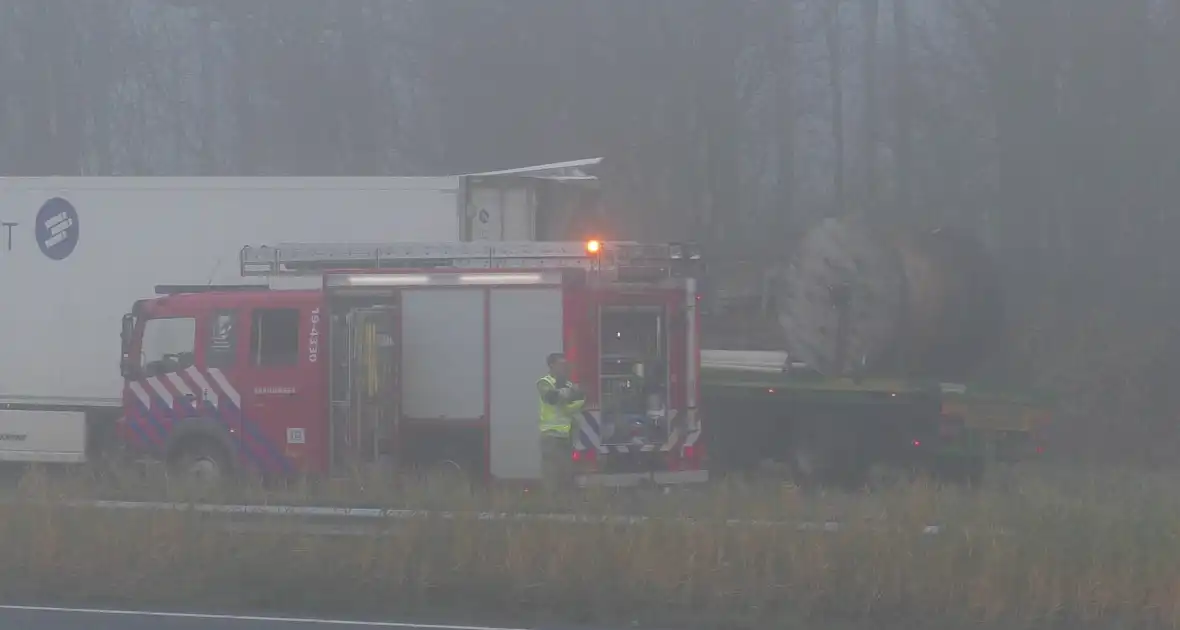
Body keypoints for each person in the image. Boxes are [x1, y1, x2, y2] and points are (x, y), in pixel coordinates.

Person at [537, 352, 585, 484]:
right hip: (550, 436)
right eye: (561, 364)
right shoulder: (544, 382)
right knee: (551, 476)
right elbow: (552, 398)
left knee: (566, 476)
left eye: (565, 364)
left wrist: (570, 395)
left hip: (566, 437)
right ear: (551, 365)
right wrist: (570, 394)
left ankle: (563, 502)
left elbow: (580, 400)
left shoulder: (569, 384)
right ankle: (551, 502)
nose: (564, 367)